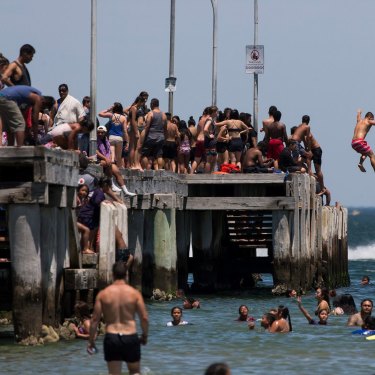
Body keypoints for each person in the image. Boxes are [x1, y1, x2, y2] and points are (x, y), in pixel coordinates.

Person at [88, 261, 149, 375]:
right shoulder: (134, 293)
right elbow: (144, 318)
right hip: (130, 336)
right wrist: (144, 336)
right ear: (126, 274)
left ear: (113, 274)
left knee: (114, 373)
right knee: (135, 371)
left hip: (112, 336)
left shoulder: (103, 294)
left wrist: (91, 341)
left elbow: (95, 320)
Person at [96, 125, 136, 196]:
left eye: (102, 133)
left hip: (107, 160)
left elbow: (109, 151)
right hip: (98, 160)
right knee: (108, 164)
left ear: (105, 133)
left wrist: (110, 158)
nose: (100, 134)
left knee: (117, 171)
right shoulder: (95, 140)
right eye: (99, 132)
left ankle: (125, 191)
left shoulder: (106, 140)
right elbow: (96, 152)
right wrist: (106, 159)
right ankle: (112, 185)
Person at [99, 102, 129, 169]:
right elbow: (125, 131)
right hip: (119, 138)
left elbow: (100, 114)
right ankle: (118, 169)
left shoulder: (111, 115)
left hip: (111, 137)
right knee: (119, 157)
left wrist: (109, 109)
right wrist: (127, 142)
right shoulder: (124, 118)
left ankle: (111, 166)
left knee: (112, 155)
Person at [140, 98, 167, 170]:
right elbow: (165, 128)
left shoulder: (151, 113)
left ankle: (145, 169)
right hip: (160, 137)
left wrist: (143, 137)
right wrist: (165, 138)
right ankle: (160, 169)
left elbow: (147, 127)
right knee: (159, 155)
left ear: (152, 104)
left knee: (145, 154)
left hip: (150, 137)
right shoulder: (163, 114)